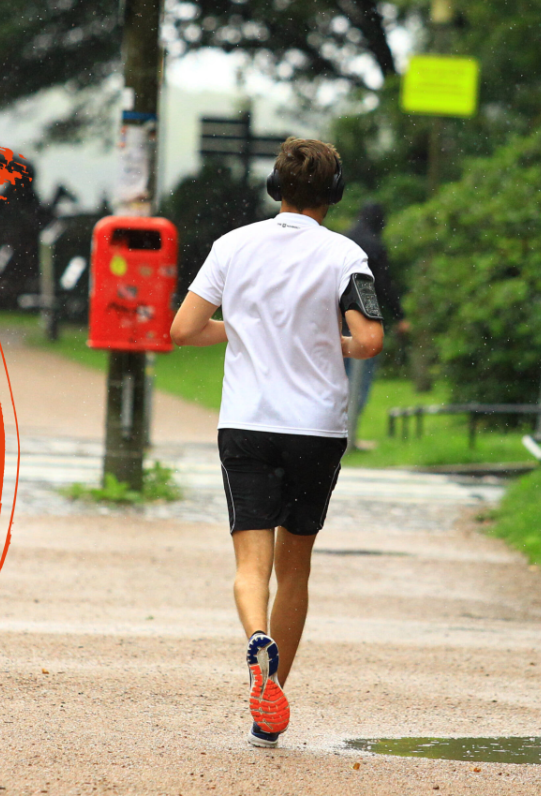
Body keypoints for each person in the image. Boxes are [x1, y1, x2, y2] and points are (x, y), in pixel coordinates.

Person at [171, 138, 384, 749]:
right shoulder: (347, 255)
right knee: (296, 567)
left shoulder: (232, 246)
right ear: (335, 192)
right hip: (316, 428)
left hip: (248, 422)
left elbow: (183, 329)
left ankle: (253, 638)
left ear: (275, 186)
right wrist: (327, 344)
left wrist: (239, 329)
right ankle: (271, 704)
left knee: (250, 563)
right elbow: (368, 342)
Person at [342, 202, 410, 448]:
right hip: (364, 320)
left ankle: (329, 431)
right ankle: (348, 434)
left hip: (338, 318)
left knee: (335, 377)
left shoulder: (343, 239)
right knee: (361, 377)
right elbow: (382, 284)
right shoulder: (375, 245)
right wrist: (399, 315)